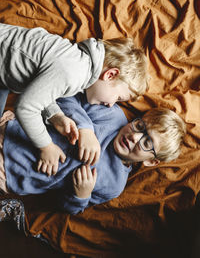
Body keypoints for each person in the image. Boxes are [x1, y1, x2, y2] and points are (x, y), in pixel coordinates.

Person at [0, 23, 149, 176]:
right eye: (118, 98)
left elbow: (40, 90)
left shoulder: (80, 66)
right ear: (110, 75)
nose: (111, 105)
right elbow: (25, 108)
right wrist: (46, 146)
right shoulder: (73, 72)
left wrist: (55, 116)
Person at [0, 92, 186, 215]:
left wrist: (80, 195)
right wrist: (86, 128)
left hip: (12, 175)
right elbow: (67, 96)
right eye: (139, 126)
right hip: (12, 131)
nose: (134, 137)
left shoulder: (114, 185)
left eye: (147, 142)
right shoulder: (112, 116)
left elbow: (64, 207)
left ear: (151, 162)